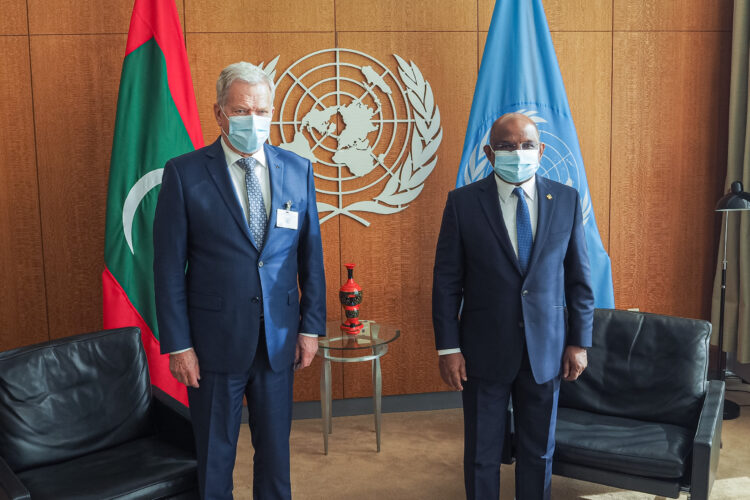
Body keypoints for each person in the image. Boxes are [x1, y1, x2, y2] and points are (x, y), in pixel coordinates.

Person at [153, 62, 326, 500]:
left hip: (278, 341)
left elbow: (311, 258)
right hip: (212, 345)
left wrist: (310, 327)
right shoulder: (184, 173)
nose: (254, 120)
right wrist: (179, 345)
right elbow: (169, 267)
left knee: (275, 454)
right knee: (215, 456)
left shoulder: (297, 170)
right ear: (218, 113)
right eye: (242, 110)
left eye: (262, 110)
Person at [432, 113, 594, 499]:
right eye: (506, 146)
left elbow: (579, 280)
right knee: (482, 454)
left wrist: (579, 342)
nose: (516, 153)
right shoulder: (463, 204)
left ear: (540, 150)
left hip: (547, 351)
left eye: (525, 145)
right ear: (489, 153)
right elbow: (446, 283)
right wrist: (449, 349)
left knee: (539, 452)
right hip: (483, 351)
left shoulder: (566, 200)